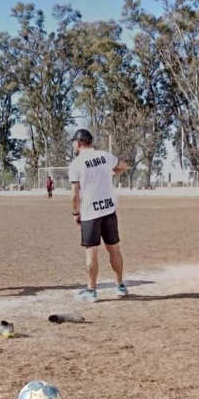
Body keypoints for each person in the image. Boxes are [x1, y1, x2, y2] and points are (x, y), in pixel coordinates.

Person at [69, 128, 129, 303]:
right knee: (114, 249)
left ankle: (91, 290)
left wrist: (75, 212)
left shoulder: (76, 164)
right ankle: (120, 286)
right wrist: (111, 173)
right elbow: (124, 166)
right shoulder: (105, 156)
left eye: (74, 142)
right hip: (109, 210)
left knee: (91, 252)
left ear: (79, 143)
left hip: (90, 212)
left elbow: (74, 194)